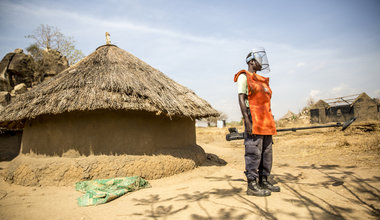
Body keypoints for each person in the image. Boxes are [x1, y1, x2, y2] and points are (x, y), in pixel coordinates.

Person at [234, 48, 280, 197]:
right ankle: (252, 184)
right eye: (259, 59)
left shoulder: (262, 81)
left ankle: (264, 179)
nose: (262, 62)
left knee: (267, 152)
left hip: (266, 119)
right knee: (254, 151)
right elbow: (241, 98)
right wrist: (247, 121)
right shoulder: (244, 76)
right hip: (253, 116)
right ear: (252, 62)